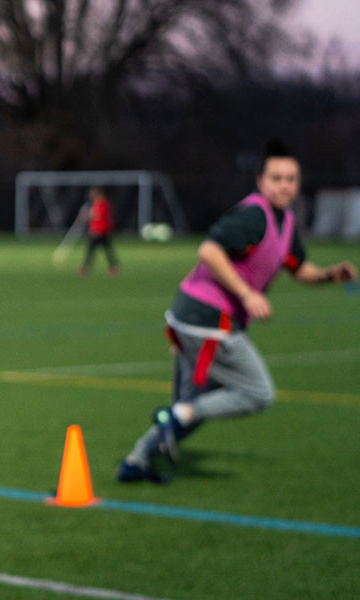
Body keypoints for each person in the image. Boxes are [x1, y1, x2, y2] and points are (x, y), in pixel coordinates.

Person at [117, 142, 357, 483]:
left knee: (193, 406)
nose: (284, 185)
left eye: (291, 178)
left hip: (192, 317)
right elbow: (210, 250)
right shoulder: (254, 214)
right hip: (208, 320)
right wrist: (247, 294)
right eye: (276, 178)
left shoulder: (284, 221)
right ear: (260, 180)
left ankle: (136, 461)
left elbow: (297, 267)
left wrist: (330, 274)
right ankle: (172, 419)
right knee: (257, 393)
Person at [78, 186, 119, 277]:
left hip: (99, 231)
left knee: (91, 250)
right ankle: (114, 267)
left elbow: (98, 216)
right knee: (106, 250)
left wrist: (87, 215)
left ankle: (85, 268)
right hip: (99, 231)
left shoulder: (102, 204)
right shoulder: (98, 203)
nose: (91, 195)